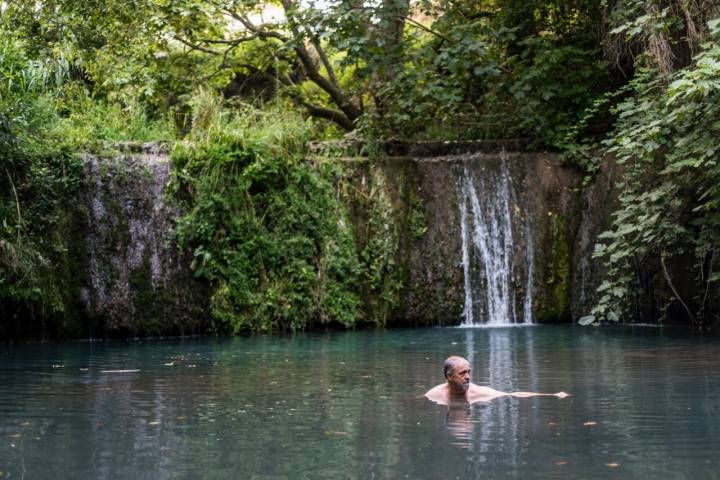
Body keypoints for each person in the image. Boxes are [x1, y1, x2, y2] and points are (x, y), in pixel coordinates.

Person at [424, 355, 569, 405]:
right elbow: (416, 399)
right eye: (462, 373)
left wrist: (552, 395)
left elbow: (512, 394)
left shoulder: (478, 393)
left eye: (469, 372)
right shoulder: (434, 395)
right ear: (449, 376)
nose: (468, 377)